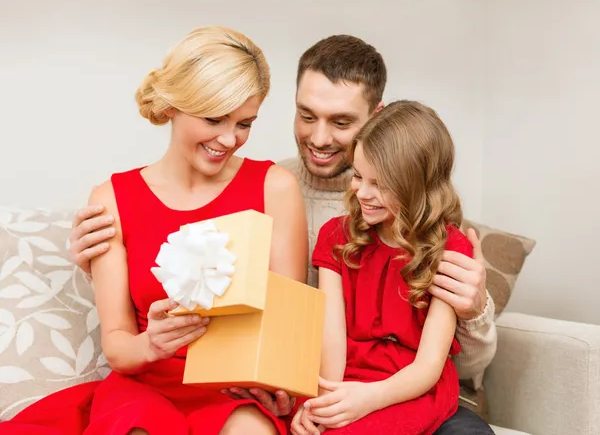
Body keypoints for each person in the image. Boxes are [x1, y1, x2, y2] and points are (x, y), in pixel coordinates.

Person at [69, 35, 497, 433]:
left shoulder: (419, 214)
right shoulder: (292, 191)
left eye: (342, 122)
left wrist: (475, 310)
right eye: (307, 116)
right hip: (207, 383)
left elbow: (457, 361)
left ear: (376, 120)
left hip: (391, 389)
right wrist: (100, 270)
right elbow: (124, 337)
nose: (320, 137)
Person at [0, 26, 307, 435]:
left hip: (234, 394)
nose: (229, 138)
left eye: (244, 123)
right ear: (172, 107)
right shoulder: (112, 198)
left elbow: (285, 331)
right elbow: (119, 346)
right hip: (146, 388)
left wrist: (277, 383)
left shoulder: (276, 188)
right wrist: (153, 343)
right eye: (214, 118)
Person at [291, 100, 475, 435]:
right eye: (358, 176)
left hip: (410, 387)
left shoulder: (449, 248)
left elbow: (429, 365)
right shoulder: (335, 235)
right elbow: (330, 340)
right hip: (348, 378)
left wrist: (369, 398)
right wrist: (322, 402)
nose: (362, 191)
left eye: (380, 184)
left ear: (417, 186)